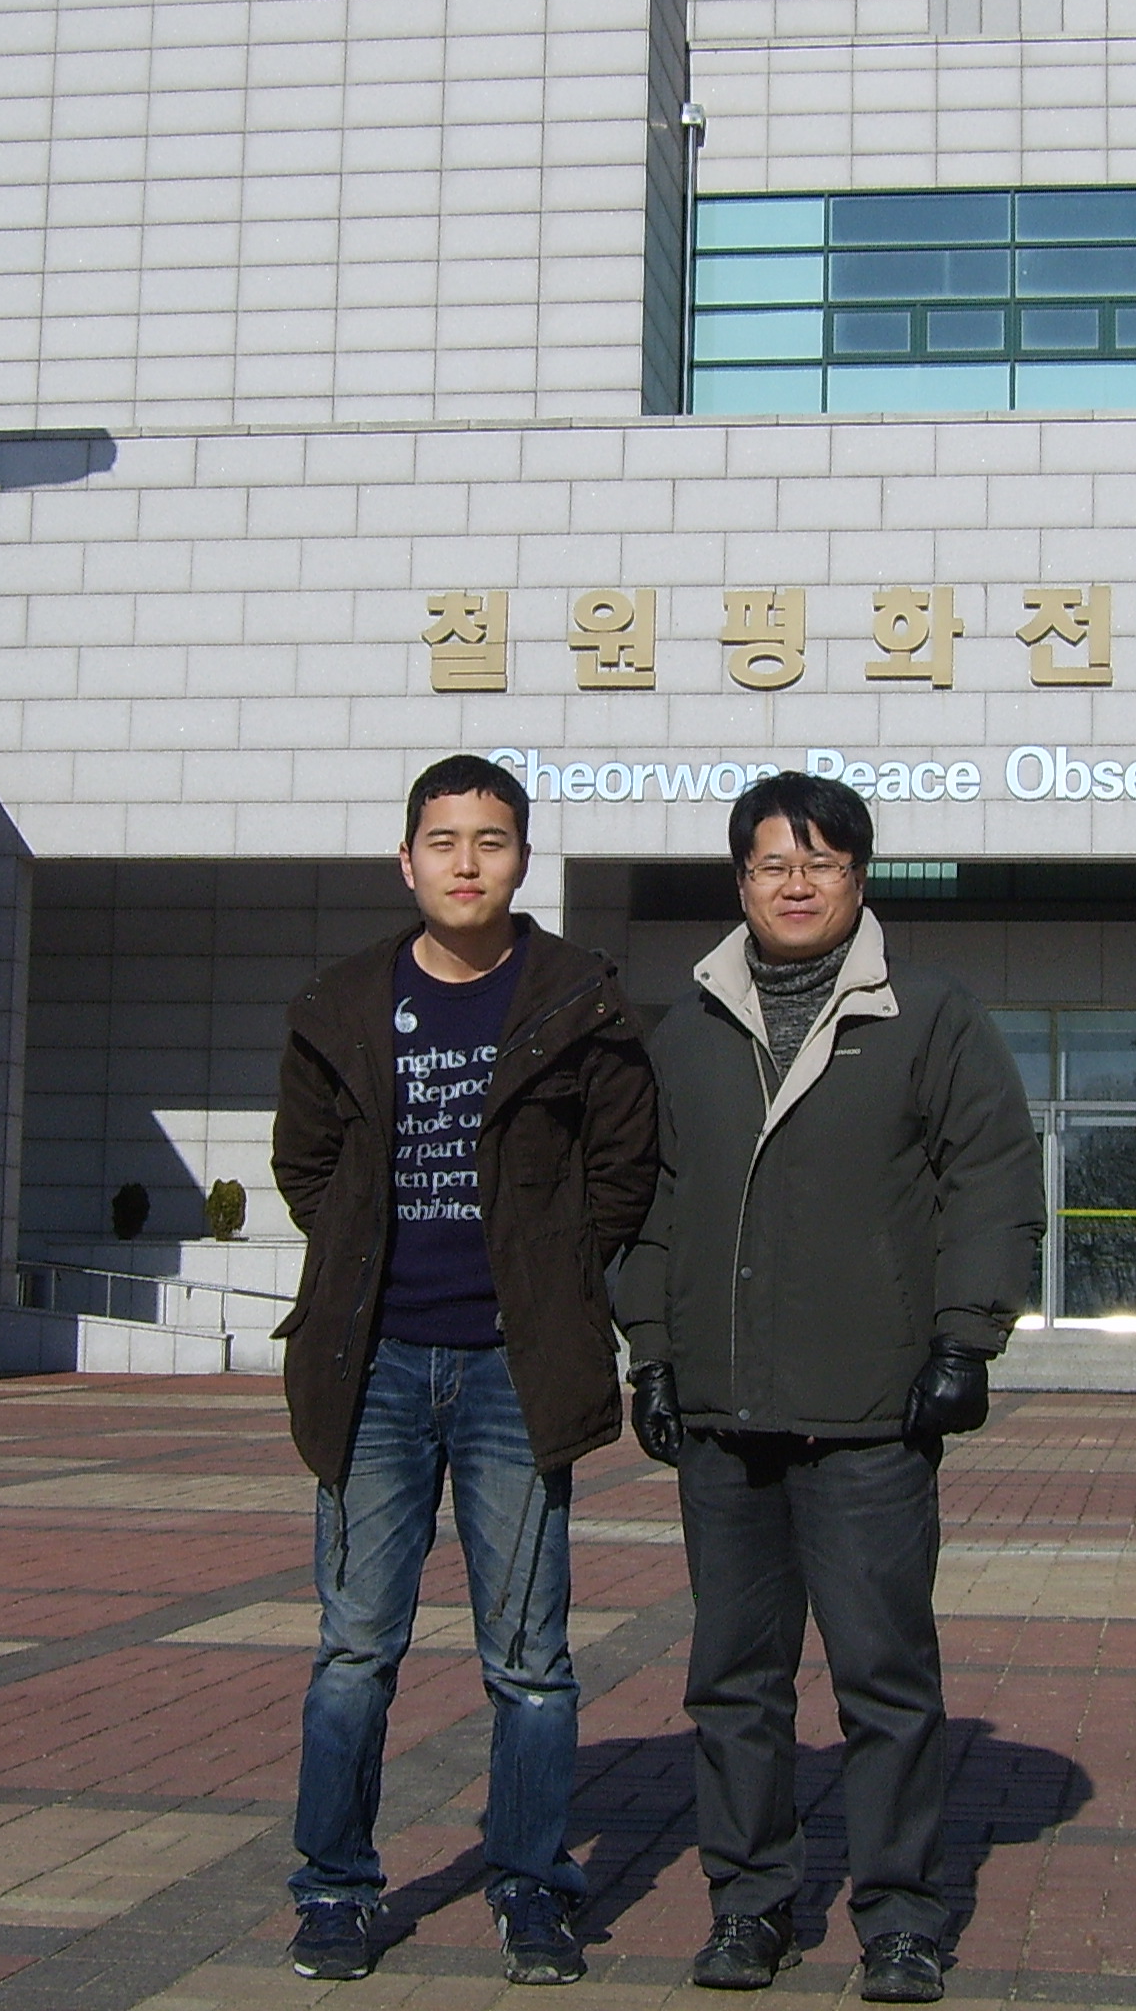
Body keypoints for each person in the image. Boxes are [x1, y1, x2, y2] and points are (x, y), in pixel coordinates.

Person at [612, 773, 1043, 2004]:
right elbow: (650, 1205)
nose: (795, 884)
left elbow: (993, 1179)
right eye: (771, 864)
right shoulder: (688, 1028)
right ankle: (749, 1907)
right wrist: (653, 1350)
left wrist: (964, 1341)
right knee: (733, 1682)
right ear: (739, 881)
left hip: (872, 1415)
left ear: (860, 876)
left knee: (884, 1680)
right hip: (724, 1416)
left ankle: (902, 1918)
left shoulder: (930, 1016)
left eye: (821, 862)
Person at [271, 754, 659, 1985]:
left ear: (521, 860)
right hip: (374, 1369)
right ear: (407, 861)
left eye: (491, 841)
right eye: (443, 841)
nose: (466, 863)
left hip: (512, 1373)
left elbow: (624, 1170)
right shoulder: (341, 1003)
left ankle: (533, 1887)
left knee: (531, 1660)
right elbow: (306, 1168)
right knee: (354, 1652)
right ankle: (334, 1890)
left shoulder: (578, 998)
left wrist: (552, 1277)